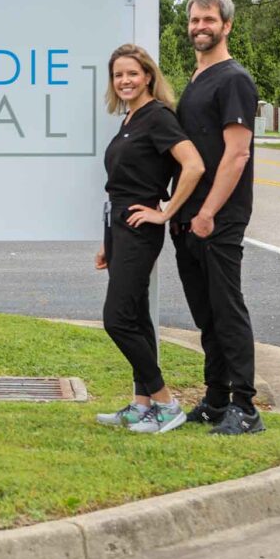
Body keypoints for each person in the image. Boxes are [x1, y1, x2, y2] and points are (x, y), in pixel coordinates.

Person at [94, 44, 205, 434]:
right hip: (119, 226)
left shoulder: (157, 116)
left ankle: (165, 403)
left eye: (131, 74)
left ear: (148, 77)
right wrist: (108, 242)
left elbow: (193, 165)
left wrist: (166, 210)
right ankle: (141, 405)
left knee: (117, 318)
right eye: (117, 75)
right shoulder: (130, 119)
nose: (124, 80)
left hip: (140, 227)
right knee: (137, 317)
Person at [172, 0, 264, 435]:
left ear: (226, 25)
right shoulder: (197, 78)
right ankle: (215, 399)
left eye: (208, 19)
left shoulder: (234, 80)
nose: (199, 27)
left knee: (227, 309)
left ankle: (245, 407)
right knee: (205, 311)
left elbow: (237, 155)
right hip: (188, 215)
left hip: (218, 217)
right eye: (194, 20)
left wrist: (208, 212)